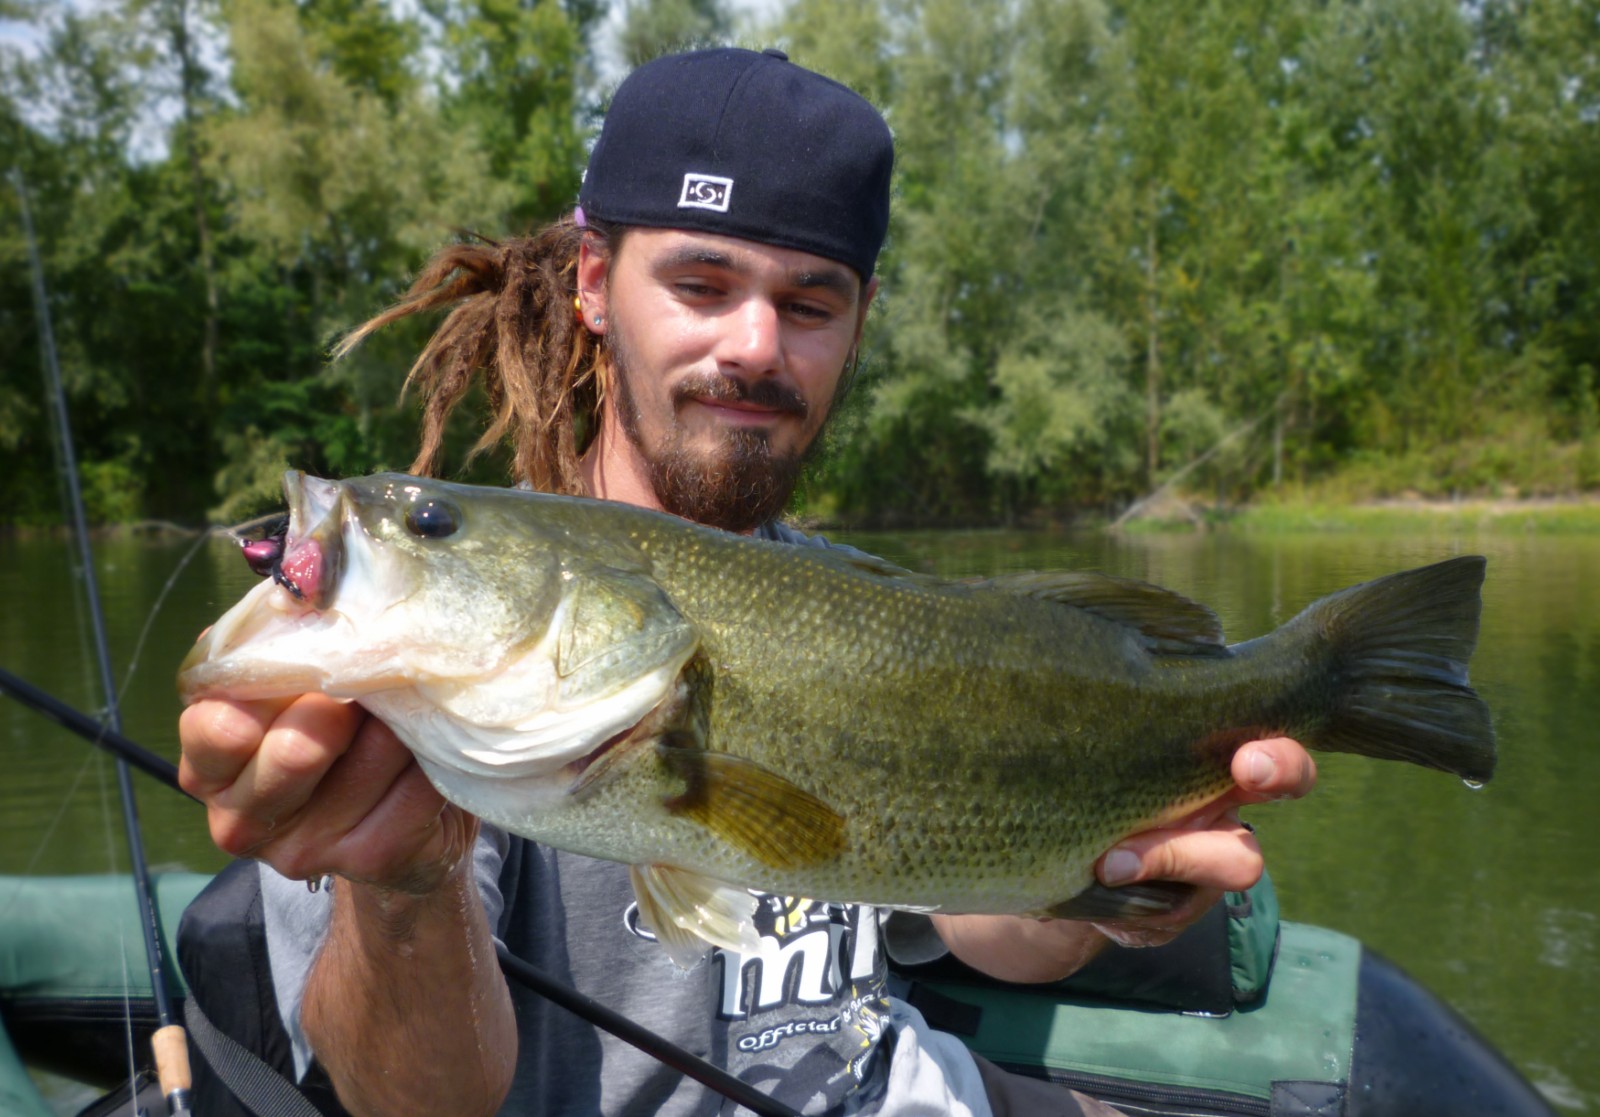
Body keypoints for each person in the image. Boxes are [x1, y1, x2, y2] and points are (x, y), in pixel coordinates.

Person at [178, 47, 1318, 1117]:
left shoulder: (844, 603)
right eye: (702, 283)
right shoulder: (413, 673)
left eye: (809, 303)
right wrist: (405, 884)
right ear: (593, 283)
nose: (757, 345)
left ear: (858, 327)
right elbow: (419, 1102)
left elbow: (980, 918)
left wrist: (1106, 882)